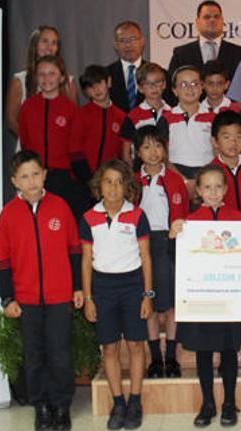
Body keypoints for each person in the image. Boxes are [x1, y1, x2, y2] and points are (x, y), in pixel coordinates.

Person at [0, 150, 83, 431]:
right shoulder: (8, 215)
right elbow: (2, 259)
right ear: (14, 182)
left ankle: (61, 405)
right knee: (35, 356)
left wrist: (78, 288)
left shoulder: (60, 207)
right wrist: (7, 297)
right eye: (24, 176)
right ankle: (42, 406)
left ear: (44, 174)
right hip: (26, 298)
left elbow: (74, 250)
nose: (31, 181)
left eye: (35, 174)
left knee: (59, 353)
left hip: (60, 297)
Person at [170, 165, 241, 427]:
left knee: (229, 351)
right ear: (198, 191)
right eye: (207, 187)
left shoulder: (239, 219)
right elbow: (177, 260)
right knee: (203, 353)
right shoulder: (189, 223)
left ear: (226, 190)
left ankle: (229, 402)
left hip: (229, 298)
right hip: (201, 299)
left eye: (219, 187)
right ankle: (207, 403)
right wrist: (174, 238)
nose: (213, 192)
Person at [80, 159, 153, 430]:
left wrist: (148, 295)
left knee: (135, 345)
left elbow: (146, 258)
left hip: (133, 285)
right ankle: (118, 403)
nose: (113, 188)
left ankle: (135, 402)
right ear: (99, 186)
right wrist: (88, 298)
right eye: (108, 181)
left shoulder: (137, 215)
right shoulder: (89, 217)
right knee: (109, 347)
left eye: (119, 182)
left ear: (127, 187)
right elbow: (86, 261)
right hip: (103, 288)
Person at [134, 125, 190, 380]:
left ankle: (171, 357)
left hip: (170, 245)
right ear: (137, 152)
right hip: (142, 247)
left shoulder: (176, 180)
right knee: (151, 304)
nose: (153, 152)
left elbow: (184, 215)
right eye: (146, 147)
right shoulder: (133, 181)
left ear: (165, 148)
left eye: (157, 145)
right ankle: (155, 358)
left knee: (171, 307)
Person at [209, 111, 241, 375]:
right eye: (226, 137)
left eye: (239, 136)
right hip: (223, 250)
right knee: (226, 302)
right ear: (215, 142)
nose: (233, 142)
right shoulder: (210, 173)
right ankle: (226, 351)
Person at [17, 55, 81, 217]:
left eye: (51, 73)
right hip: (34, 174)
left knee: (58, 219)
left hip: (62, 176)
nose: (46, 78)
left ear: (61, 77)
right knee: (34, 217)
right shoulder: (28, 107)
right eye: (41, 74)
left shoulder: (70, 108)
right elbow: (24, 141)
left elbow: (75, 147)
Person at [5, 26, 77, 140]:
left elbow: (74, 121)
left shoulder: (68, 81)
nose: (50, 47)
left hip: (59, 151)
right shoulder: (20, 80)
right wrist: (33, 142)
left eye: (54, 43)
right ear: (35, 45)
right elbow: (11, 121)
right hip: (30, 152)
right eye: (45, 41)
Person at [168, 0, 241, 82]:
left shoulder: (239, 54)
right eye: (207, 17)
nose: (212, 20)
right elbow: (172, 86)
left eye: (216, 17)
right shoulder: (181, 54)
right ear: (197, 22)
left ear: (222, 21)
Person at [71, 65, 127, 183]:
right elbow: (75, 151)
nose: (96, 89)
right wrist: (89, 179)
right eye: (90, 87)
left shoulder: (121, 116)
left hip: (111, 179)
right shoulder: (81, 114)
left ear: (109, 82)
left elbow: (121, 153)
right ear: (85, 92)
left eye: (99, 83)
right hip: (84, 180)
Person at [161, 65, 216, 181]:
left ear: (202, 88)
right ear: (175, 91)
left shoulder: (213, 118)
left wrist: (203, 179)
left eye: (194, 84)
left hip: (207, 173)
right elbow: (162, 155)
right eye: (183, 85)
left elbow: (217, 152)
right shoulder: (166, 118)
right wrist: (183, 180)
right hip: (175, 172)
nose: (190, 89)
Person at [120, 62, 171, 164]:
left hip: (168, 168)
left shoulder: (172, 113)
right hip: (141, 170)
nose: (153, 87)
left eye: (157, 82)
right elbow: (126, 153)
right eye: (148, 83)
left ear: (164, 84)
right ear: (140, 88)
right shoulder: (133, 116)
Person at [106, 21, 147, 113]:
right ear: (115, 45)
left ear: (142, 41)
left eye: (133, 39)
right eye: (122, 40)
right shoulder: (105, 74)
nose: (128, 45)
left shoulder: (158, 74)